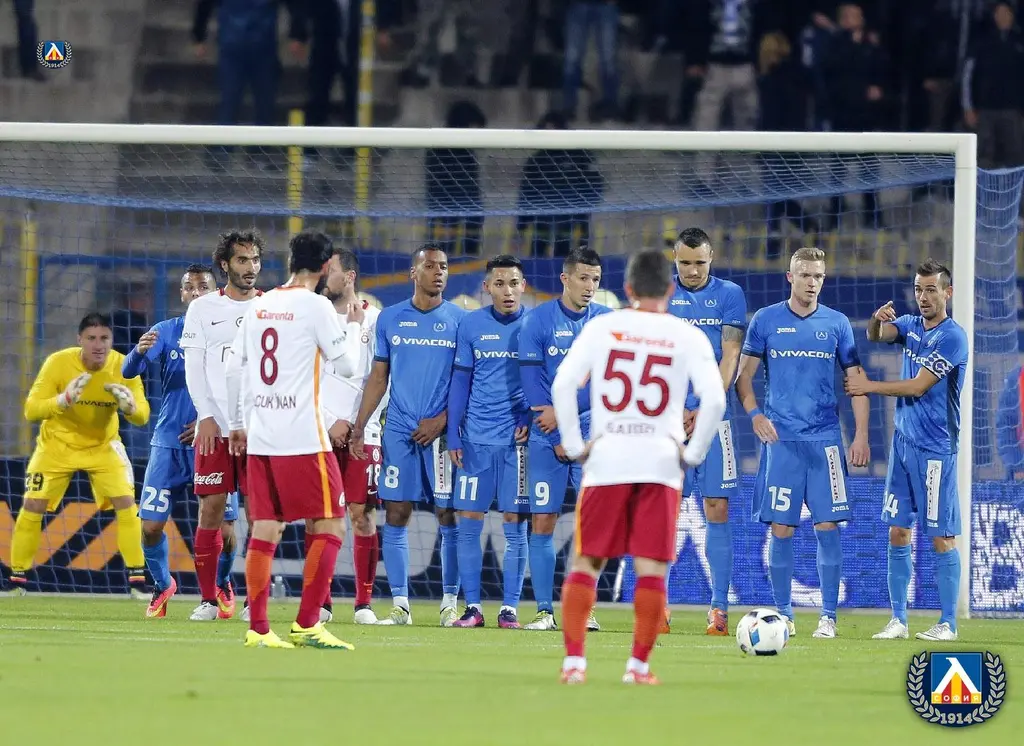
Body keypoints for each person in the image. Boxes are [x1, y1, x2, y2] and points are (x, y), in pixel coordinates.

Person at [551, 248, 726, 685]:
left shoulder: (603, 327)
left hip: (608, 458)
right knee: (651, 568)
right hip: (659, 463)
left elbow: (564, 383)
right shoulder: (687, 336)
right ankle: (638, 668)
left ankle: (574, 664)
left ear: (627, 288)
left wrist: (574, 445)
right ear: (670, 289)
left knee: (586, 562)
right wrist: (693, 453)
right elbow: (715, 400)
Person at [226, 230, 363, 649]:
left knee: (266, 528)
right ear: (325, 266)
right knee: (331, 523)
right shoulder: (317, 306)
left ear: (289, 261)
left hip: (261, 436)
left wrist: (236, 422)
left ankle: (258, 629)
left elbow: (234, 366)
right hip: (304, 437)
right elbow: (348, 367)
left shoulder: (260, 304)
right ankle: (307, 623)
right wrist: (354, 328)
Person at [735, 247, 870, 639]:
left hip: (825, 442)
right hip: (782, 442)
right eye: (806, 275)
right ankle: (784, 615)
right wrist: (755, 415)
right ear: (790, 277)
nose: (812, 283)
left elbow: (857, 381)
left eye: (819, 276)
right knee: (781, 528)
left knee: (828, 526)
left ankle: (828, 616)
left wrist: (861, 435)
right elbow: (744, 377)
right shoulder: (765, 320)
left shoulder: (837, 324)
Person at [845, 258, 969, 642]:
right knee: (898, 531)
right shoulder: (912, 325)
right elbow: (876, 335)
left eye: (931, 289)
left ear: (948, 293)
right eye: (918, 289)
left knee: (941, 537)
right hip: (903, 445)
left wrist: (869, 387)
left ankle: (947, 623)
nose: (924, 296)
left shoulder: (953, 337)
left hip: (935, 450)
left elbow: (918, 386)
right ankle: (898, 620)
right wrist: (875, 319)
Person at [349, 244, 467, 626]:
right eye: (430, 266)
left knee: (448, 514)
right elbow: (378, 377)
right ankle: (400, 604)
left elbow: (468, 382)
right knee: (397, 513)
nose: (439, 272)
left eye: (444, 266)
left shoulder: (460, 321)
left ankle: (449, 603)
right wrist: (359, 425)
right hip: (399, 430)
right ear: (413, 273)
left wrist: (443, 420)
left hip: (442, 433)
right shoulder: (390, 319)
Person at [122, 265, 242, 619]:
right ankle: (162, 584)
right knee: (149, 526)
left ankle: (221, 582)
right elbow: (128, 371)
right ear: (182, 294)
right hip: (168, 444)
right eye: (189, 287)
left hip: (215, 442)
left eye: (203, 286)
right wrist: (138, 352)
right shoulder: (166, 331)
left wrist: (210, 420)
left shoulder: (232, 330)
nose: (196, 293)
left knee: (226, 530)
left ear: (216, 291)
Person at [7, 313, 150, 595]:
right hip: (57, 446)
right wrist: (63, 400)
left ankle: (138, 582)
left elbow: (143, 416)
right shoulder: (58, 362)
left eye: (104, 338)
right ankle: (17, 580)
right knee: (33, 504)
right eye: (91, 338)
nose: (98, 345)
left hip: (103, 447)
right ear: (79, 340)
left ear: (111, 340)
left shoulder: (124, 366)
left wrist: (130, 407)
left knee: (126, 502)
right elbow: (31, 410)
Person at [518, 246, 611, 631]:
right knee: (542, 520)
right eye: (583, 278)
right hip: (546, 436)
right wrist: (557, 428)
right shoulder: (537, 321)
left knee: (591, 526)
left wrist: (565, 420)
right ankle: (544, 610)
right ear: (565, 278)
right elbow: (530, 382)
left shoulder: (606, 323)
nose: (589, 286)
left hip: (593, 439)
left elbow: (606, 382)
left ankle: (585, 610)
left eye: (596, 279)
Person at [180, 230, 263, 621]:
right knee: (211, 511)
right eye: (243, 260)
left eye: (255, 259)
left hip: (259, 430)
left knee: (261, 515)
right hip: (215, 429)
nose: (251, 267)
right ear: (225, 264)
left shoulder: (270, 307)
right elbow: (194, 368)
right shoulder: (202, 308)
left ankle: (254, 601)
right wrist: (207, 417)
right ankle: (208, 600)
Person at [669, 227, 747, 636]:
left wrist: (704, 406)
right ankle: (657, 605)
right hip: (667, 419)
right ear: (675, 259)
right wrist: (675, 407)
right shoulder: (662, 295)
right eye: (685, 263)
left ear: (711, 258)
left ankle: (718, 608)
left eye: (700, 262)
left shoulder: (730, 294)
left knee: (716, 507)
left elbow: (731, 354)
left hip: (716, 420)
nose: (693, 270)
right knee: (664, 508)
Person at [447, 255, 532, 629]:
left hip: (518, 445)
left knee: (515, 522)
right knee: (468, 521)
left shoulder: (534, 325)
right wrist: (453, 432)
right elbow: (460, 381)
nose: (507, 290)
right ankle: (472, 607)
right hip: (476, 441)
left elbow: (544, 381)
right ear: (487, 288)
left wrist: (528, 416)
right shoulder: (471, 324)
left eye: (513, 283)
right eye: (499, 283)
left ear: (523, 286)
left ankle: (509, 608)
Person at [320, 247, 387, 625]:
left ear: (349, 276)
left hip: (364, 433)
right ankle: (323, 601)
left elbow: (380, 380)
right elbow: (305, 377)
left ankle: (363, 603)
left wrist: (358, 424)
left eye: (329, 270)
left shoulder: (375, 320)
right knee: (320, 516)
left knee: (362, 514)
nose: (322, 277)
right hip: (320, 432)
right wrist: (330, 421)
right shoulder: (314, 317)